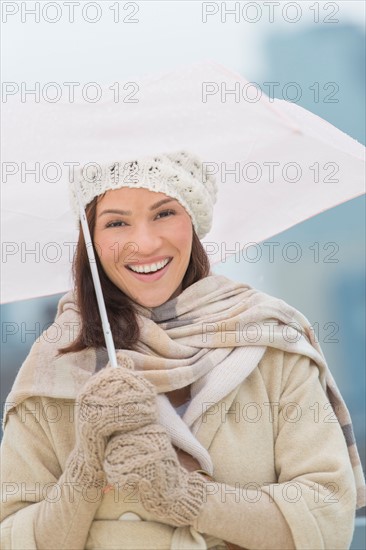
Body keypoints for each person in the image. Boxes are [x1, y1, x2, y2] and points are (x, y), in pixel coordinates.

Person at [0, 151, 364, 550]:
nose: (144, 242)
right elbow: (10, 535)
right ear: (92, 241)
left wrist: (187, 497)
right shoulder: (54, 367)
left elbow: (327, 520)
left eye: (164, 213)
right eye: (117, 222)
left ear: (192, 222)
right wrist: (86, 469)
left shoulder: (271, 343)